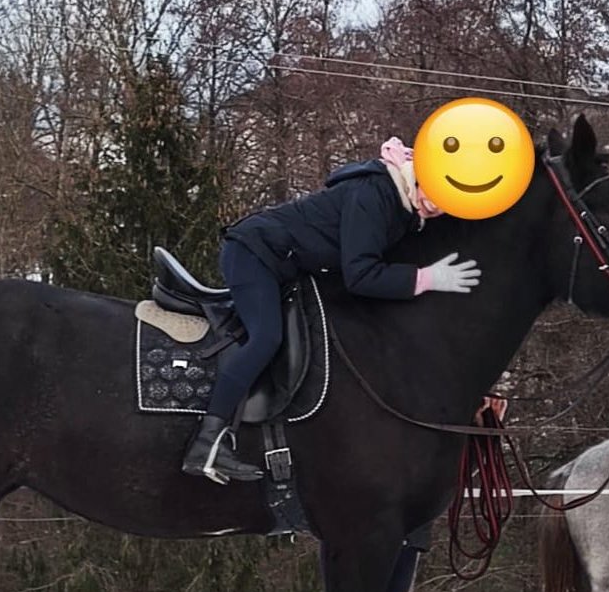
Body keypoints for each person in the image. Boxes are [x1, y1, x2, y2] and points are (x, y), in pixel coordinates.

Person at [182, 137, 483, 483]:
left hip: (288, 266)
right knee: (266, 337)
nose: (438, 209)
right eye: (438, 198)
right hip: (255, 254)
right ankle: (207, 442)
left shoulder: (404, 208)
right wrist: (427, 278)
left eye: (447, 205)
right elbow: (361, 274)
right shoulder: (373, 194)